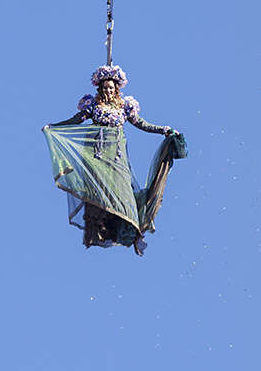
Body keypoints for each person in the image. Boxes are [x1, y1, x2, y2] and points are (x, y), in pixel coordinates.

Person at [44, 64, 181, 254]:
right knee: (99, 188)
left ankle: (125, 224)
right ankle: (101, 226)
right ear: (100, 89)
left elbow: (142, 124)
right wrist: (55, 127)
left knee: (121, 188)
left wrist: (163, 130)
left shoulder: (124, 107)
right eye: (105, 87)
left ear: (116, 88)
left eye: (111, 87)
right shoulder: (93, 105)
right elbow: (76, 120)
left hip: (116, 155)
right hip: (96, 154)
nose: (108, 91)